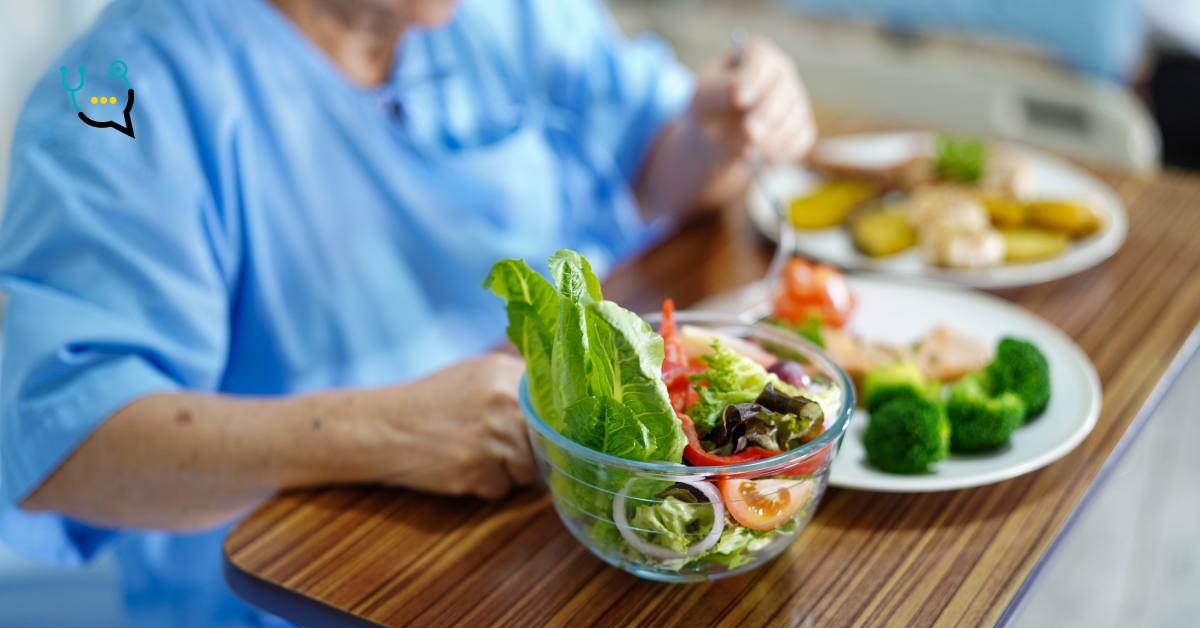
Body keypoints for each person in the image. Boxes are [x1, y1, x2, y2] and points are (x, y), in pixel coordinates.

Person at [0, 0, 815, 624]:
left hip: (534, 546)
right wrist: (386, 433)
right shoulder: (119, 92)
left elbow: (654, 168)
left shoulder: (498, 16)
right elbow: (62, 440)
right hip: (295, 588)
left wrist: (714, 139)